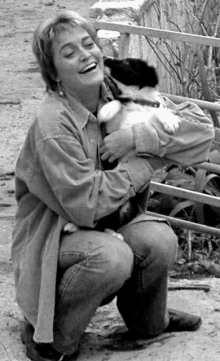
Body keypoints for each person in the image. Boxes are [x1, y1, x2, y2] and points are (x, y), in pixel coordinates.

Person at [11, 10, 215, 361]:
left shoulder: (116, 88)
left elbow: (201, 133)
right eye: (69, 52)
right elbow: (86, 206)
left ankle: (149, 323)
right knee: (111, 257)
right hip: (58, 233)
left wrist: (136, 136)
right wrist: (146, 161)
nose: (86, 54)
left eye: (88, 44)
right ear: (53, 73)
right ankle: (52, 338)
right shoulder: (53, 125)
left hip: (112, 220)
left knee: (160, 240)